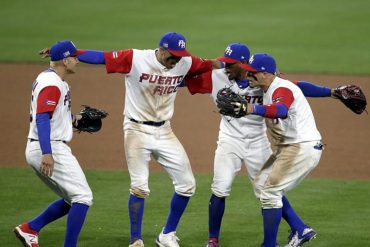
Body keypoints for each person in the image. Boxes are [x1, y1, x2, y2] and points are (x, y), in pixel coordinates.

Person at [53, 32, 218, 247]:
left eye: (180, 56)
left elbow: (208, 65)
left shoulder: (185, 62)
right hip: (136, 130)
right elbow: (101, 57)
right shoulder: (136, 58)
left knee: (187, 185)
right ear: (162, 49)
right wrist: (70, 54)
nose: (176, 60)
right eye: (173, 56)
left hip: (165, 131)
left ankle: (166, 235)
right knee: (139, 187)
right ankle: (135, 240)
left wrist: (233, 64)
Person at [185, 43, 334, 247]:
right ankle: (213, 240)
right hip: (229, 141)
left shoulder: (265, 82)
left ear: (245, 65)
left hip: (259, 142)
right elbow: (181, 81)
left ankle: (292, 232)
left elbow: (296, 88)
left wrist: (331, 92)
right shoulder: (218, 77)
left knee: (269, 190)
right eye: (224, 62)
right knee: (221, 188)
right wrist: (206, 64)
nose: (225, 66)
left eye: (230, 63)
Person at [236, 53, 324, 247]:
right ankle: (300, 229)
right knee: (261, 186)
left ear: (266, 74)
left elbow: (281, 110)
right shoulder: (271, 85)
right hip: (289, 147)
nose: (249, 76)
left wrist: (251, 109)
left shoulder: (281, 89)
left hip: (301, 146)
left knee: (270, 193)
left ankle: (269, 245)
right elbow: (301, 85)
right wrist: (331, 92)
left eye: (253, 73)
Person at [15, 40, 93, 247]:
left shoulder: (50, 78)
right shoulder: (52, 84)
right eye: (75, 57)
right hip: (48, 147)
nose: (78, 60)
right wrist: (47, 153)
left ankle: (30, 229)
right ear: (66, 61)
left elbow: (52, 114)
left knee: (72, 198)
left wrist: (74, 119)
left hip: (43, 145)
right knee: (82, 197)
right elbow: (42, 118)